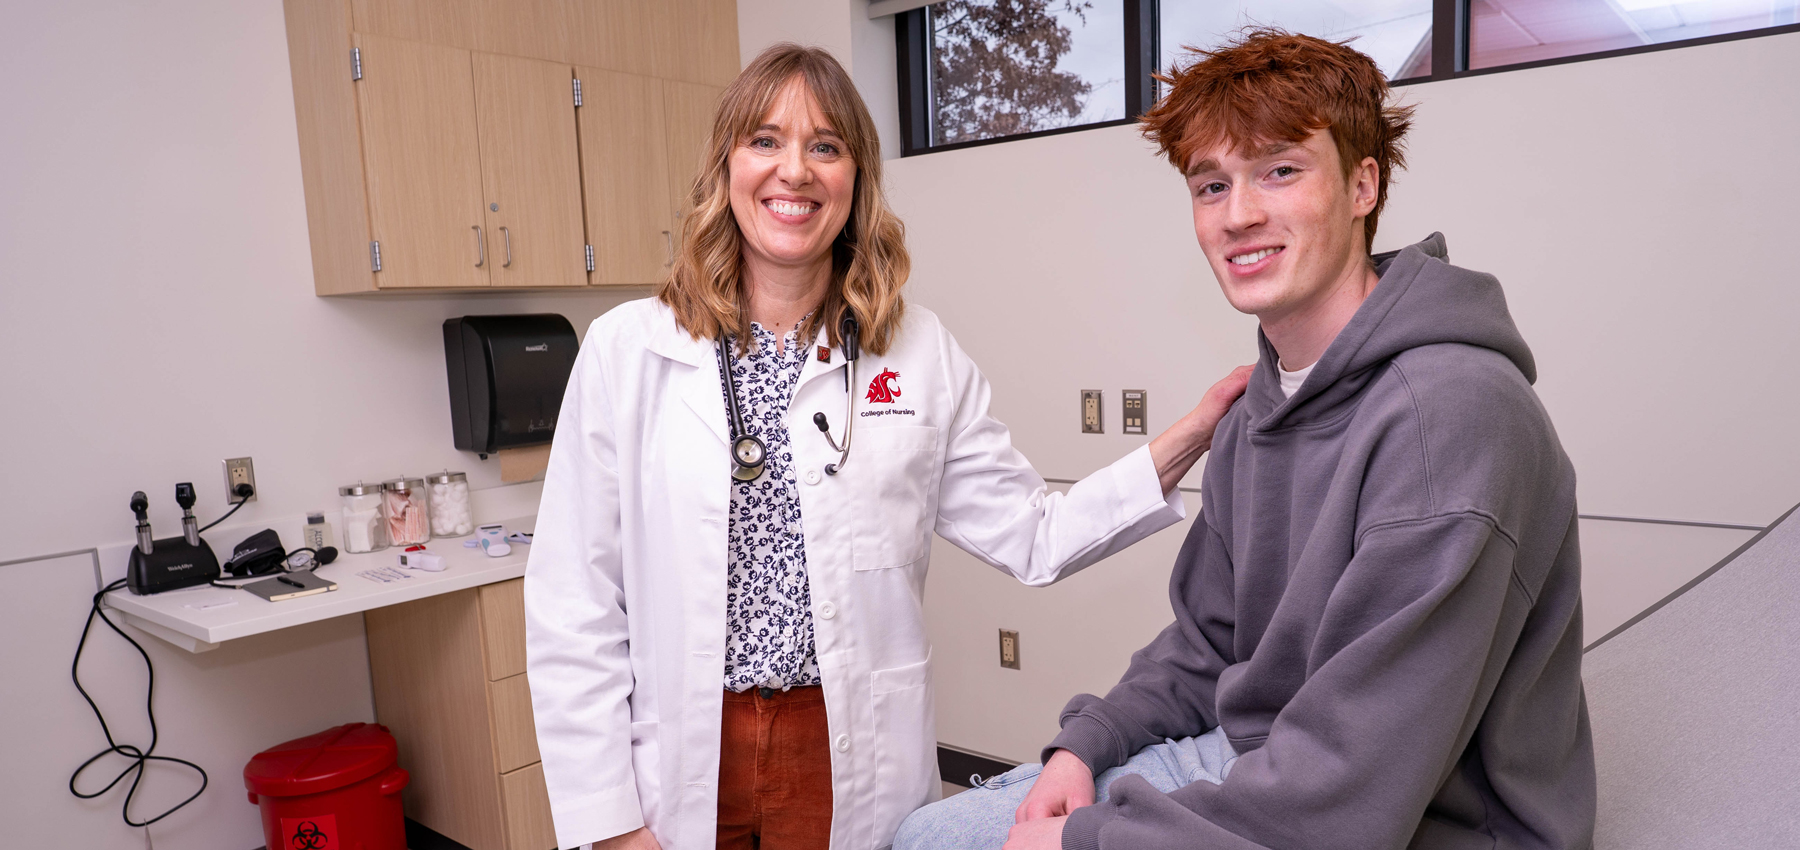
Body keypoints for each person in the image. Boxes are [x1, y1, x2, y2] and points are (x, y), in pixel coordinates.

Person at [524, 44, 1251, 850]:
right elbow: (574, 605)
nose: (793, 171)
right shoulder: (627, 350)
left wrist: (1190, 438)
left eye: (824, 146)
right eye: (764, 141)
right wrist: (614, 825)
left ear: (856, 180)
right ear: (725, 167)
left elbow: (1034, 533)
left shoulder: (917, 352)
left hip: (842, 747)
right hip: (680, 748)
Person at [895, 27, 1596, 850]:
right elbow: (1206, 645)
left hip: (1408, 824)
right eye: (1211, 186)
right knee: (926, 836)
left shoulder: (1453, 419)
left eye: (1281, 171)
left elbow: (1344, 801)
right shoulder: (1258, 409)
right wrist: (1087, 742)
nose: (1241, 215)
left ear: (1363, 184)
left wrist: (1087, 842)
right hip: (1262, 761)